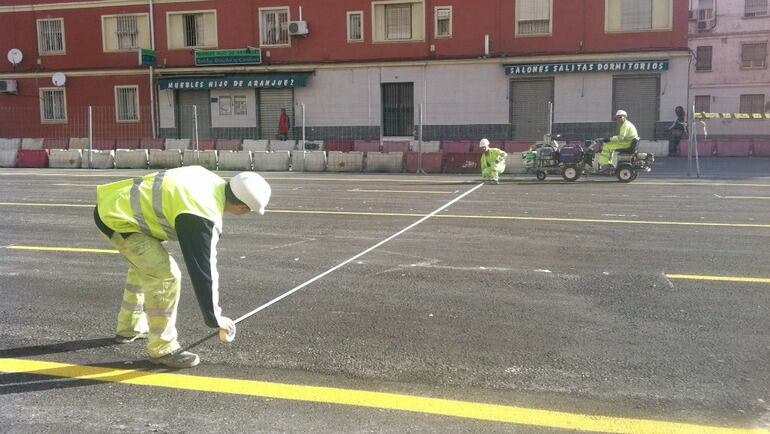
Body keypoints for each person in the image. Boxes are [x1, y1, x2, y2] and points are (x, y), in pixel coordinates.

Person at [94, 166, 271, 369]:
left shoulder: (207, 177)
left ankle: (129, 328)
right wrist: (215, 318)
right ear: (242, 207)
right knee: (165, 276)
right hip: (118, 220)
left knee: (146, 266)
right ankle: (163, 349)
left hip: (114, 205)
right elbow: (204, 270)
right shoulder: (202, 215)